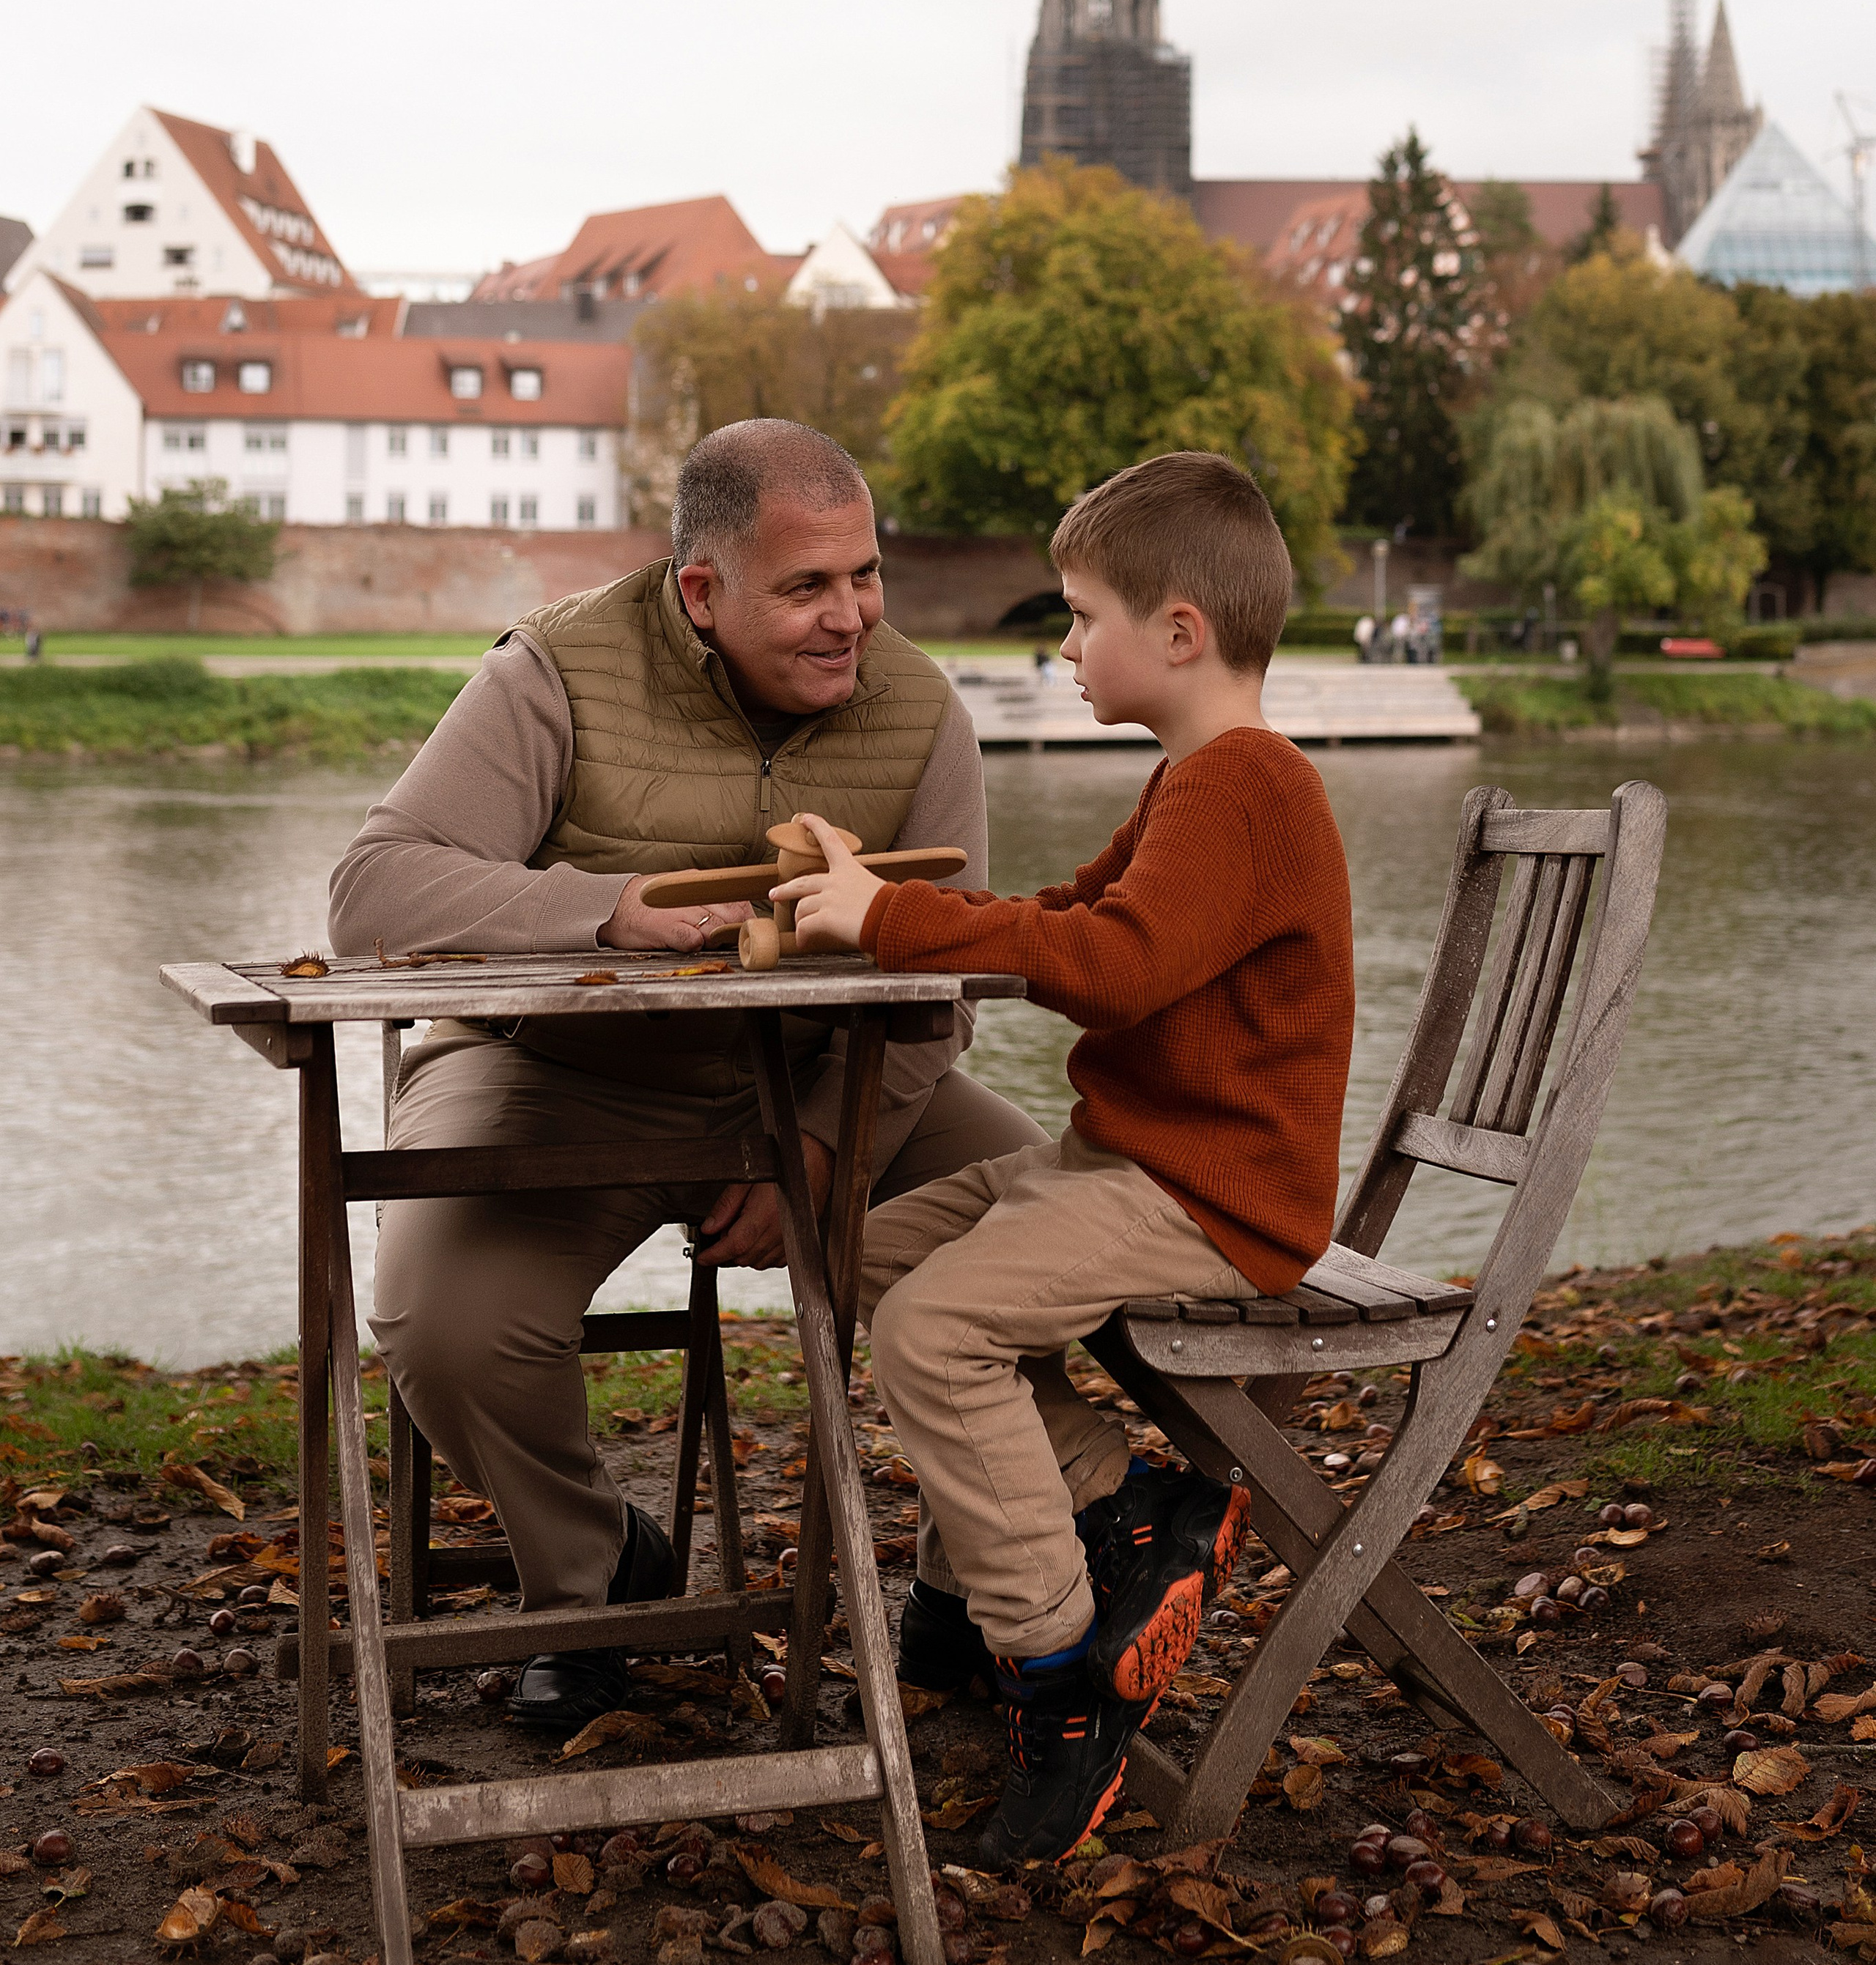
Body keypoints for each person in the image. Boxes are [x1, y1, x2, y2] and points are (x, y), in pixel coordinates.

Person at [328, 418, 1046, 1733]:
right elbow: (372, 888)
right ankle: (595, 1577)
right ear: (701, 592)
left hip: (827, 1083)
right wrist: (605, 910)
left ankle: (968, 1595)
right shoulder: (554, 671)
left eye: (866, 576)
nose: (853, 620)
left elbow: (942, 990)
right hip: (555, 1073)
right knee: (446, 1324)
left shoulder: (923, 706)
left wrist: (830, 1149)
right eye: (809, 587)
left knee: (1051, 1222)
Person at [774, 451, 1356, 1867]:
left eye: (1081, 616)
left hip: (1209, 1196)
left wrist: (887, 926)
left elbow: (1113, 969)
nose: (1066, 645)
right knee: (847, 1261)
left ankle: (1057, 1670)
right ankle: (1122, 1500)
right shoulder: (1189, 784)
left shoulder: (1246, 790)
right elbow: (1060, 912)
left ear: (1178, 632)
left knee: (933, 1330)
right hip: (1120, 1164)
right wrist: (888, 893)